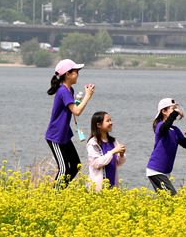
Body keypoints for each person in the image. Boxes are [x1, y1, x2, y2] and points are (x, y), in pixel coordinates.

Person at [45, 59, 94, 187]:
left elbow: (72, 109)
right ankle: (54, 197)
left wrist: (78, 100)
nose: (78, 74)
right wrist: (87, 96)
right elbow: (76, 112)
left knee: (75, 165)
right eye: (76, 71)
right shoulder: (63, 91)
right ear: (67, 74)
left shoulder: (69, 90)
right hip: (55, 136)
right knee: (63, 168)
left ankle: (60, 191)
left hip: (64, 135)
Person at [146, 98, 186, 195]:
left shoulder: (175, 130)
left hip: (165, 172)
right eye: (173, 109)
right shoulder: (160, 126)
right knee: (172, 197)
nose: (176, 111)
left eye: (176, 109)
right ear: (164, 111)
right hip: (155, 170)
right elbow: (164, 128)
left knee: (166, 201)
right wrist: (175, 113)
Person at [87, 111, 126, 191]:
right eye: (108, 121)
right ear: (99, 125)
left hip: (112, 185)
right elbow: (96, 163)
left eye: (110, 120)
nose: (111, 123)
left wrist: (121, 155)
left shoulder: (113, 141)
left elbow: (118, 163)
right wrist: (112, 152)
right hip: (98, 188)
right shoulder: (93, 143)